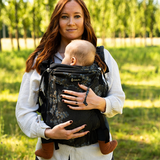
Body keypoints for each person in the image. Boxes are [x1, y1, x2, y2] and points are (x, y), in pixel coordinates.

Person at [15, 0, 125, 160]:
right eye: (64, 16)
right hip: (54, 155)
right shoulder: (41, 60)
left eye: (77, 16)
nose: (71, 22)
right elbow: (24, 110)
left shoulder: (102, 57)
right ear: (56, 21)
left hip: (95, 155)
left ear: (85, 20)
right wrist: (47, 132)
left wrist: (98, 102)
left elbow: (118, 100)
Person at [35, 39, 118, 159]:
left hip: (58, 122)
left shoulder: (53, 70)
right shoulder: (95, 71)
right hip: (91, 123)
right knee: (101, 122)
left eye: (65, 57)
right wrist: (100, 103)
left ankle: (47, 150)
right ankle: (105, 146)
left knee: (47, 117)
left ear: (72, 60)